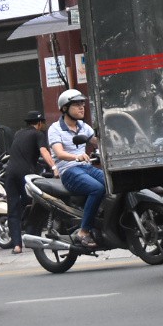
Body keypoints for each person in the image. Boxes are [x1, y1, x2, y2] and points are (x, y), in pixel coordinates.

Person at [48, 90, 106, 251]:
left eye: (82, 104)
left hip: (86, 168)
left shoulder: (83, 126)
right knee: (97, 188)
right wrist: (76, 157)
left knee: (112, 184)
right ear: (65, 108)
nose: (82, 107)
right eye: (76, 104)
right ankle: (83, 231)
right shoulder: (55, 129)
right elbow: (59, 153)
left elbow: (97, 141)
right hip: (69, 171)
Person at [3, 111, 52, 255]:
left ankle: (17, 245)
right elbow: (44, 152)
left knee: (13, 209)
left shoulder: (18, 134)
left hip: (10, 173)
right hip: (25, 173)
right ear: (39, 123)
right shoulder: (38, 134)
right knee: (36, 202)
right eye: (43, 123)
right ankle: (31, 232)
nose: (44, 125)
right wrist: (54, 167)